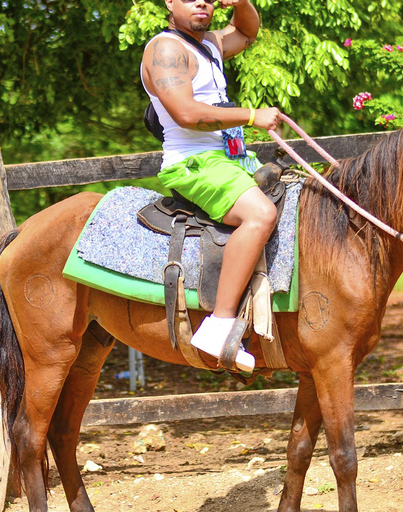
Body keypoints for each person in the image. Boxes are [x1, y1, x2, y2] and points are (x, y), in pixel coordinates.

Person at [141, 0, 282, 371]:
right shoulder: (166, 49)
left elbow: (248, 32)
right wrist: (252, 116)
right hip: (194, 162)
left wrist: (241, 2)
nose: (201, 2)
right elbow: (186, 114)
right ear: (170, 2)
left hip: (230, 158)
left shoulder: (211, 45)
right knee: (260, 215)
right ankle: (218, 326)